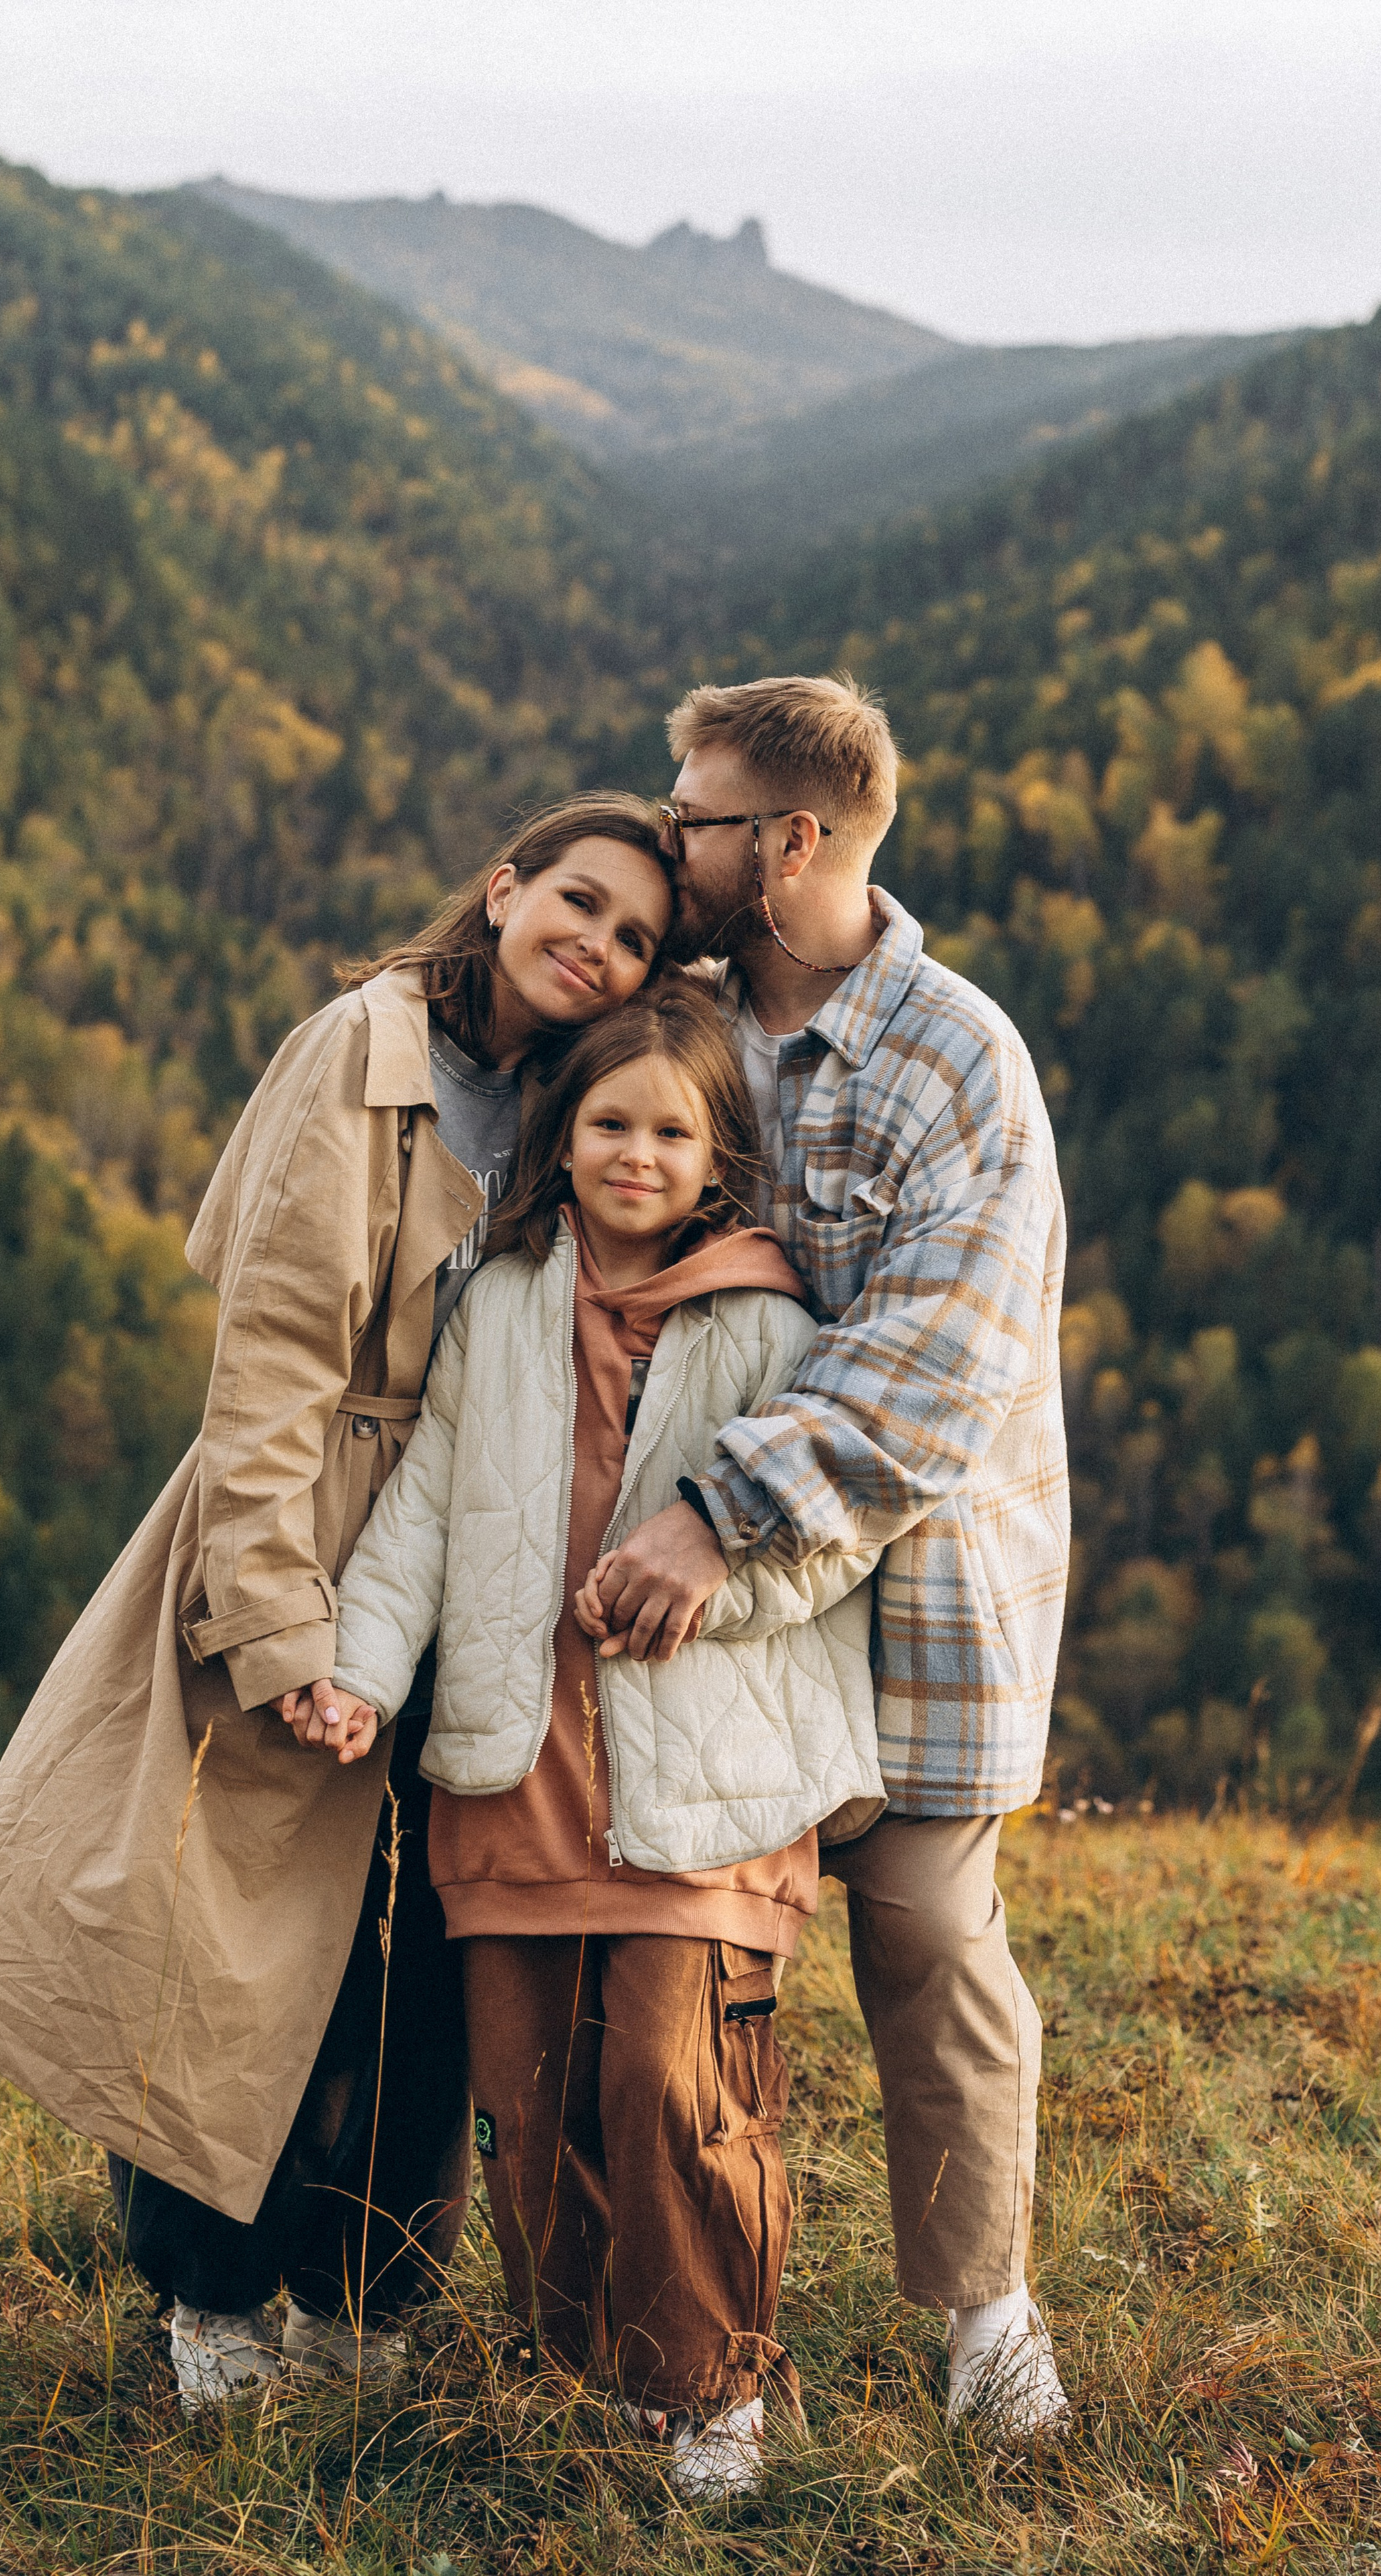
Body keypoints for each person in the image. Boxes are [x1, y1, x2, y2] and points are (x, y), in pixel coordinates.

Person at [0, 793, 675, 2414]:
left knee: (427, 1952)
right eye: (577, 902)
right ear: (504, 885)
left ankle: (369, 2300)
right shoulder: (363, 1052)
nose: (595, 946)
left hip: (475, 1564)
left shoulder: (568, 1094)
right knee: (235, 1952)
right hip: (310, 1531)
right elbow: (265, 1368)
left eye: (633, 938)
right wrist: (271, 1623)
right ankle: (215, 2302)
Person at [311, 982, 885, 2500]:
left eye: (669, 1130)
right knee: (530, 2093)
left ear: (717, 1158)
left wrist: (710, 1590)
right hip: (517, 1779)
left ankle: (707, 2391)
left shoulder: (767, 1319)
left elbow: (830, 1544)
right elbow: (421, 1510)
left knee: (671, 2087)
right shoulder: (498, 1302)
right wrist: (362, 1668)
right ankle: (580, 2376)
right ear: (558, 1140)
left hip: (703, 1788)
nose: (635, 1152)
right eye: (606, 1123)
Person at [580, 676, 1074, 2437]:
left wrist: (720, 1513)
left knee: (930, 1940)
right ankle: (708, 2347)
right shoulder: (674, 1019)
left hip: (916, 1596)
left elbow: (943, 1357)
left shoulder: (957, 1061)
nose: (667, 835)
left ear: (790, 844)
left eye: (693, 813)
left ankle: (982, 2312)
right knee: (688, 1962)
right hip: (707, 1627)